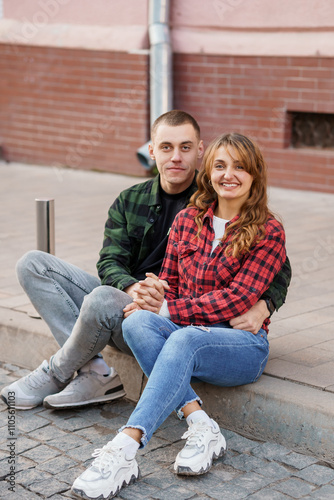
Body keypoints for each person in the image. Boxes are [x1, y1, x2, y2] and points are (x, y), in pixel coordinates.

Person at [1, 112, 290, 410]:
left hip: (170, 318)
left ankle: (57, 372)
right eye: (166, 147)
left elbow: (277, 263)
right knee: (33, 264)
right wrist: (132, 290)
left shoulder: (215, 199)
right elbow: (109, 262)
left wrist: (264, 305)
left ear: (200, 151)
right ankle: (93, 370)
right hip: (132, 300)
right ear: (151, 151)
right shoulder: (129, 200)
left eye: (185, 147)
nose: (176, 157)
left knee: (101, 299)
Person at [71, 132, 287, 500]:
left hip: (240, 345)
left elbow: (237, 300)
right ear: (210, 171)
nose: (228, 174)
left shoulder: (268, 230)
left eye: (239, 166)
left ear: (255, 174)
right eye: (220, 165)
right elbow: (169, 278)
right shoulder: (189, 219)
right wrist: (154, 293)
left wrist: (168, 308)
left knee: (181, 337)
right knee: (136, 320)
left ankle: (126, 448)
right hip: (187, 328)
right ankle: (200, 423)